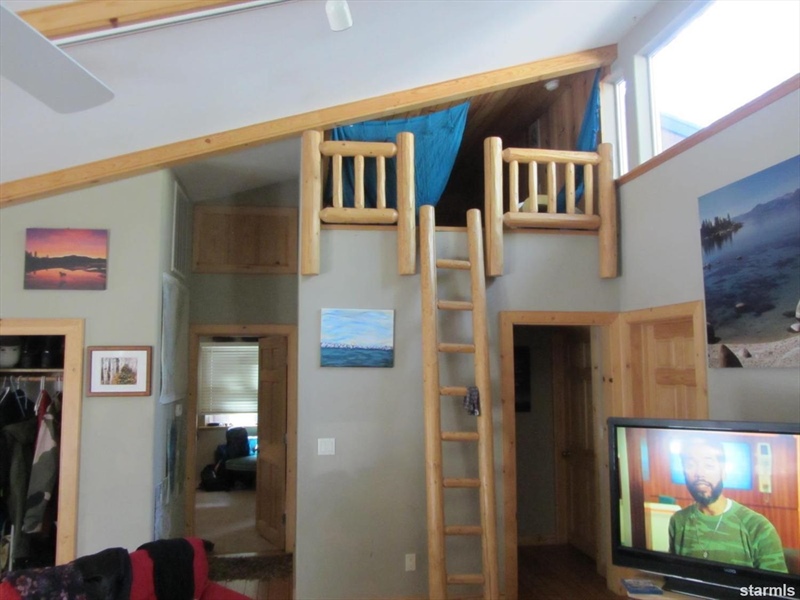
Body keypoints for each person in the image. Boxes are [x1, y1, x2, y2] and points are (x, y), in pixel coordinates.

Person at [668, 437, 788, 573]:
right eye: (690, 465)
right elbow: (674, 576)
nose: (699, 473)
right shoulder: (678, 521)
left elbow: (776, 585)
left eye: (708, 465)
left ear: (723, 471)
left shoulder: (758, 527)